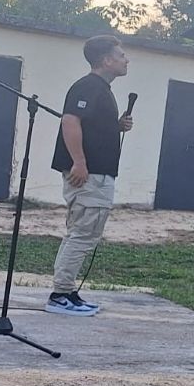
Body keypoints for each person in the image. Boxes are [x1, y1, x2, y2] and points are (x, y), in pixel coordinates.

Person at [46, 35, 133, 316]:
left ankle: (67, 291)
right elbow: (70, 121)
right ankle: (60, 296)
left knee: (83, 233)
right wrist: (79, 162)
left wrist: (116, 126)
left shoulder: (101, 89)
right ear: (106, 60)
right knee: (83, 234)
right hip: (89, 175)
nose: (126, 60)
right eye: (121, 55)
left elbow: (90, 126)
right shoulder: (88, 86)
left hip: (96, 173)